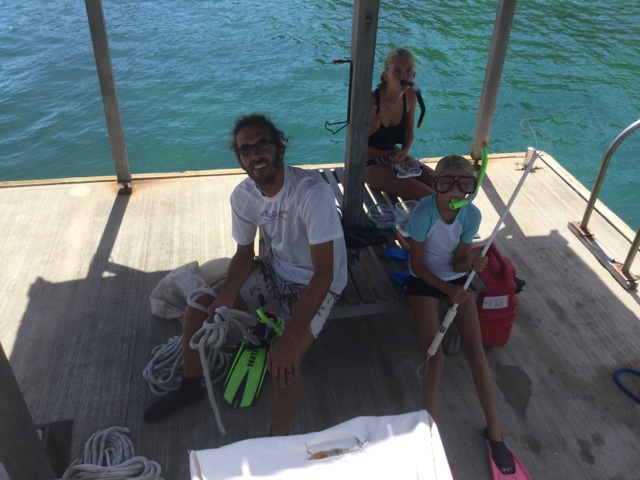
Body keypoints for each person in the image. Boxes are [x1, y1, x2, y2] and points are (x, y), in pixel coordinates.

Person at [144, 114, 348, 437]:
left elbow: (324, 274)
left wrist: (289, 339)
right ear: (239, 158)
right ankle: (189, 387)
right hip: (275, 267)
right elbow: (243, 254)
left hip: (317, 281)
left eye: (262, 145)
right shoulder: (243, 196)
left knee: (284, 361)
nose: (256, 154)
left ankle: (277, 439)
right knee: (196, 312)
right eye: (246, 149)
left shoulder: (312, 193)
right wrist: (225, 297)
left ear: (280, 149)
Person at [404, 155, 516, 475]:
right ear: (434, 184)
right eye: (446, 183)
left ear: (471, 188)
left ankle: (496, 435)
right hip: (424, 280)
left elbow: (459, 262)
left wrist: (474, 264)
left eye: (463, 184)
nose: (454, 191)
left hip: (456, 280)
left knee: (476, 353)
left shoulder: (471, 215)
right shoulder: (423, 213)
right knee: (435, 357)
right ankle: (430, 439)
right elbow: (417, 265)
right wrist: (447, 289)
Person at [366, 47, 434, 200]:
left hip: (393, 156)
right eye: (397, 71)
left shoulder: (410, 95)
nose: (404, 75)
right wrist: (370, 129)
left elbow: (409, 131)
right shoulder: (371, 101)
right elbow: (354, 145)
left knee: (442, 183)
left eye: (408, 70)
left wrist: (405, 150)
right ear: (386, 75)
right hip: (368, 164)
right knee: (431, 197)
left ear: (413, 75)